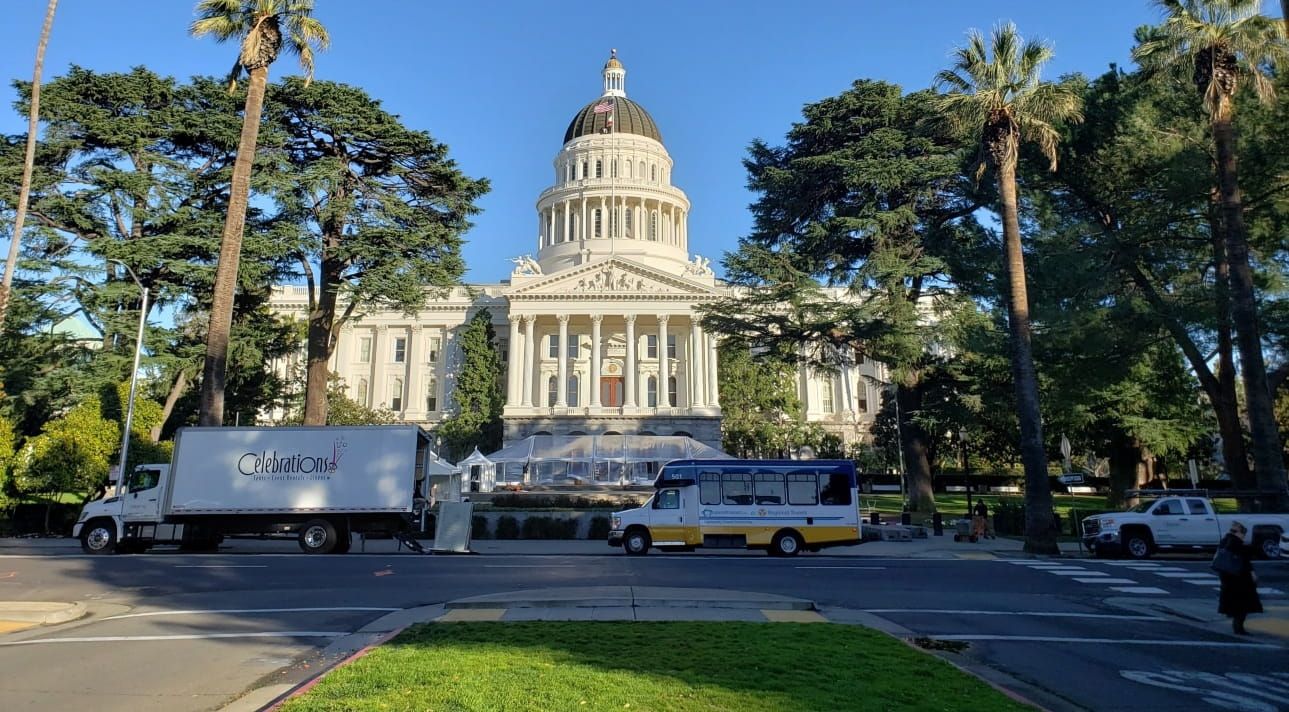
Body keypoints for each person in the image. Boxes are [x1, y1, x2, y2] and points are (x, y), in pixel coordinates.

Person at [1217, 521, 1262, 635]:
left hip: (1228, 578)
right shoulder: (1235, 543)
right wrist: (1252, 573)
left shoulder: (1225, 541)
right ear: (1239, 533)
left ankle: (1237, 626)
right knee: (1242, 605)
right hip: (1240, 579)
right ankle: (1238, 627)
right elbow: (1245, 559)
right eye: (1243, 533)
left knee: (1236, 605)